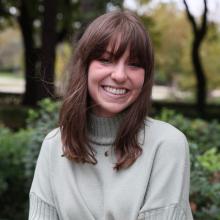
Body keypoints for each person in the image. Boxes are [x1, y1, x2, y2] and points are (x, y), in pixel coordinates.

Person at [28, 10, 193, 220]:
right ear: (85, 67)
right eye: (106, 60)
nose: (119, 75)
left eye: (134, 64)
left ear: (145, 76)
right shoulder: (53, 145)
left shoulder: (167, 145)